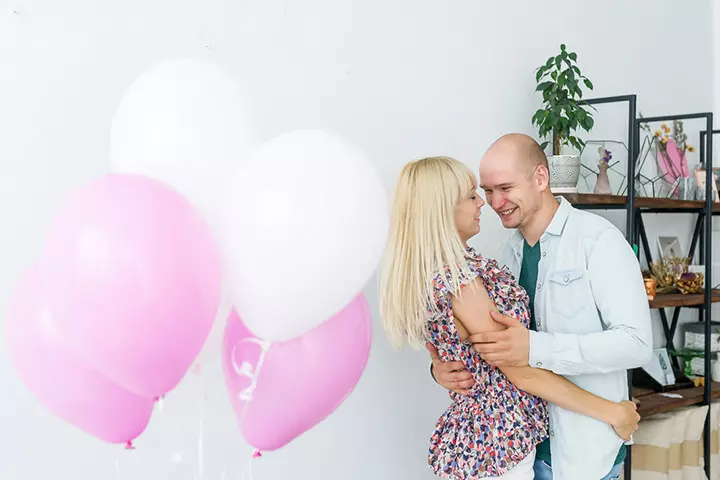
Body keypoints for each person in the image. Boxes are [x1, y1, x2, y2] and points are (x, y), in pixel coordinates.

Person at [379, 156, 641, 480]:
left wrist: (444, 367)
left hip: (542, 444)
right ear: (442, 210)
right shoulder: (461, 278)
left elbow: (635, 342)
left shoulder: (592, 240)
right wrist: (613, 412)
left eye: (501, 188)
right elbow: (519, 371)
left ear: (541, 178)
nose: (484, 203)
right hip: (498, 445)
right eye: (475, 194)